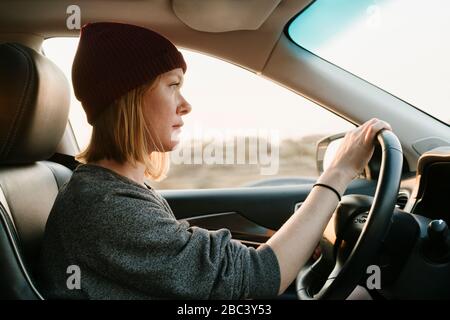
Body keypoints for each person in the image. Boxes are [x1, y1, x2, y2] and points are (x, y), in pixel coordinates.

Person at [38, 22, 392, 300]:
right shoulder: (106, 206)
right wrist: (339, 171)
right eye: (172, 85)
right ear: (128, 97)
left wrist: (295, 242)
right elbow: (257, 280)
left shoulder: (113, 190)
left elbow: (198, 264)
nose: (185, 105)